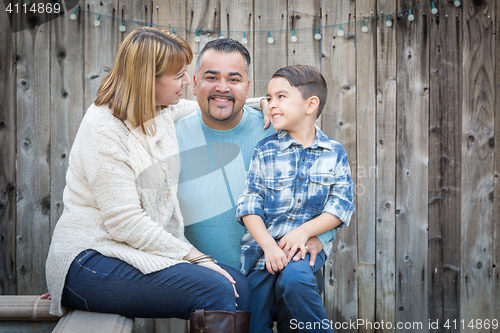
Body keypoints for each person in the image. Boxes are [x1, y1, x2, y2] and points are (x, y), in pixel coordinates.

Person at [44, 27, 251, 333]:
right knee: (216, 288)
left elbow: (209, 103)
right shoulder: (104, 130)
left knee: (240, 286)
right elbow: (125, 222)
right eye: (179, 76)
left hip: (131, 253)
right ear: (148, 80)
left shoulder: (159, 107)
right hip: (90, 261)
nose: (187, 83)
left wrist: (270, 104)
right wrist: (197, 257)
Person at [175, 39, 336, 332]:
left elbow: (327, 193)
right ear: (194, 83)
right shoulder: (171, 139)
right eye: (211, 77)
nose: (222, 87)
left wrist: (319, 238)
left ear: (248, 86)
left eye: (233, 79)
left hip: (286, 271)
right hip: (214, 291)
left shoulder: (280, 131)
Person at [235, 65, 355, 333]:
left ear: (310, 104)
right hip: (262, 254)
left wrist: (304, 233)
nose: (271, 104)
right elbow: (249, 205)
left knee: (297, 279)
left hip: (305, 250)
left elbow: (341, 206)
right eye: (269, 97)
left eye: (281, 97)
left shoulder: (333, 153)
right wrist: (269, 247)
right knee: (254, 320)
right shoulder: (265, 151)